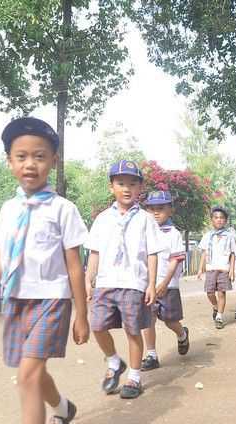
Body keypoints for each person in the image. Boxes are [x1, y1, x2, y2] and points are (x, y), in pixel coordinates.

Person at [0, 117, 88, 424]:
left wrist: (81, 315)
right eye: (21, 156)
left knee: (27, 376)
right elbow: (1, 261)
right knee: (32, 373)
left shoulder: (63, 209)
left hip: (52, 300)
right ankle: (63, 408)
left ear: (53, 161)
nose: (30, 164)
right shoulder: (9, 209)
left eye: (39, 156)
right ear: (9, 162)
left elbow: (74, 266)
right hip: (16, 300)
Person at [85, 160, 164, 400]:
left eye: (132, 184)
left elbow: (152, 253)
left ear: (140, 188)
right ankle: (113, 361)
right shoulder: (102, 219)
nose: (127, 188)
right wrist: (89, 279)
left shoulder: (146, 219)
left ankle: (134, 377)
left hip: (133, 283)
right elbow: (95, 252)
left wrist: (151, 284)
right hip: (106, 282)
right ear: (112, 187)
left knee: (132, 330)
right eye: (121, 183)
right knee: (97, 326)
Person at [140, 191, 190, 371]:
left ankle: (182, 334)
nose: (155, 212)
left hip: (168, 285)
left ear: (170, 210)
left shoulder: (173, 234)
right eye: (151, 209)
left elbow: (174, 261)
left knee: (170, 320)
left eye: (160, 208)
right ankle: (151, 355)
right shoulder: (143, 232)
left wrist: (164, 283)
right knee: (148, 319)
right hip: (147, 286)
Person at [198, 207, 236, 329]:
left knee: (221, 293)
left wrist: (232, 270)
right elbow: (204, 253)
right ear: (212, 220)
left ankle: (219, 316)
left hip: (224, 269)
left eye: (221, 218)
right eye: (216, 217)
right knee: (209, 292)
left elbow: (233, 254)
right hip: (211, 269)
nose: (219, 220)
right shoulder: (207, 236)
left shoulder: (229, 236)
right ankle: (215, 306)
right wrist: (200, 269)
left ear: (225, 220)